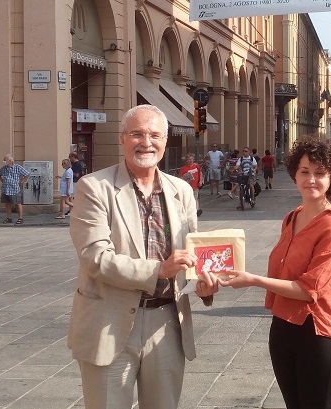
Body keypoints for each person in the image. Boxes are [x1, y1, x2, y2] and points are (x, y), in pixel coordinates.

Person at [67, 105, 218, 409]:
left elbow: (190, 254)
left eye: (154, 135)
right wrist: (159, 269)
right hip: (108, 322)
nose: (146, 142)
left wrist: (203, 284)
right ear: (123, 138)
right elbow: (95, 257)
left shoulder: (182, 191)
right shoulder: (95, 188)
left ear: (165, 141)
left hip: (166, 323)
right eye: (137, 134)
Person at [219, 136, 331, 409]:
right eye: (304, 172)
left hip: (318, 333)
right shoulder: (293, 216)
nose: (311, 180)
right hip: (282, 329)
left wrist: (253, 280)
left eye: (319, 173)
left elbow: (308, 290)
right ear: (294, 173)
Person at [0, 154, 30, 224]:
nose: (4, 161)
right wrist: (2, 181)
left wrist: (22, 181)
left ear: (10, 161)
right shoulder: (3, 168)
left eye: (5, 160)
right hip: (5, 189)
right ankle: (9, 218)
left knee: (17, 203)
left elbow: (27, 174)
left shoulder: (17, 167)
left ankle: (20, 218)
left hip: (14, 188)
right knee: (7, 203)